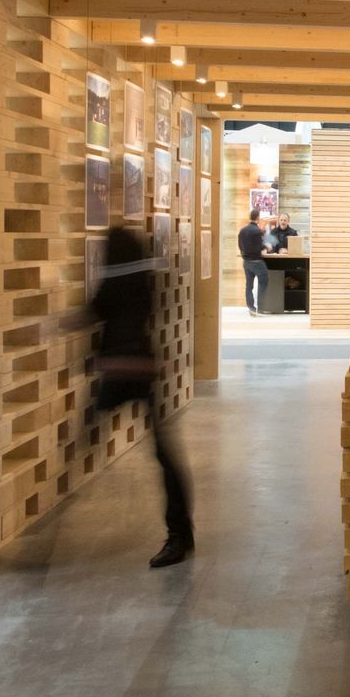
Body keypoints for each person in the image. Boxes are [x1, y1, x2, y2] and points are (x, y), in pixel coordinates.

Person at [88, 227, 194, 568]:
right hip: (142, 369)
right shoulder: (142, 279)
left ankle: (179, 535)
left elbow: (95, 312)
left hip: (123, 370)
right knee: (164, 453)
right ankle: (180, 533)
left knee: (82, 442)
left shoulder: (115, 281)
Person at [239, 208, 270, 314]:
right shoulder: (257, 231)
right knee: (263, 281)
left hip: (246, 261)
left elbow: (240, 246)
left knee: (249, 285)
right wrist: (266, 247)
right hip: (257, 261)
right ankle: (260, 307)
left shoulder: (242, 230)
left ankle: (251, 307)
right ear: (258, 217)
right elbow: (259, 246)